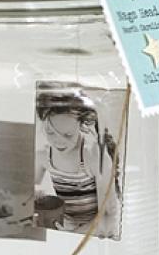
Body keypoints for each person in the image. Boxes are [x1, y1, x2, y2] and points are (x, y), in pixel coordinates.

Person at [35, 87, 121, 239]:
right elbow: (26, 192)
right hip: (68, 226)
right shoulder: (44, 155)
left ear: (80, 124)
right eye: (51, 132)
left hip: (96, 232)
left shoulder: (93, 155)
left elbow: (109, 216)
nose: (58, 141)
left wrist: (72, 235)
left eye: (68, 134)